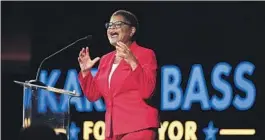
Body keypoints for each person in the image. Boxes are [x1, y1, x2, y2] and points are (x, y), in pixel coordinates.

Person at [78, 9, 159, 140]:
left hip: (138, 127)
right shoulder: (105, 60)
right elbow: (93, 95)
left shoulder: (145, 54)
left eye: (117, 24)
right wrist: (86, 72)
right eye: (109, 25)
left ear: (132, 31)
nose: (112, 28)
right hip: (112, 131)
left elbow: (147, 91)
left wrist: (133, 61)